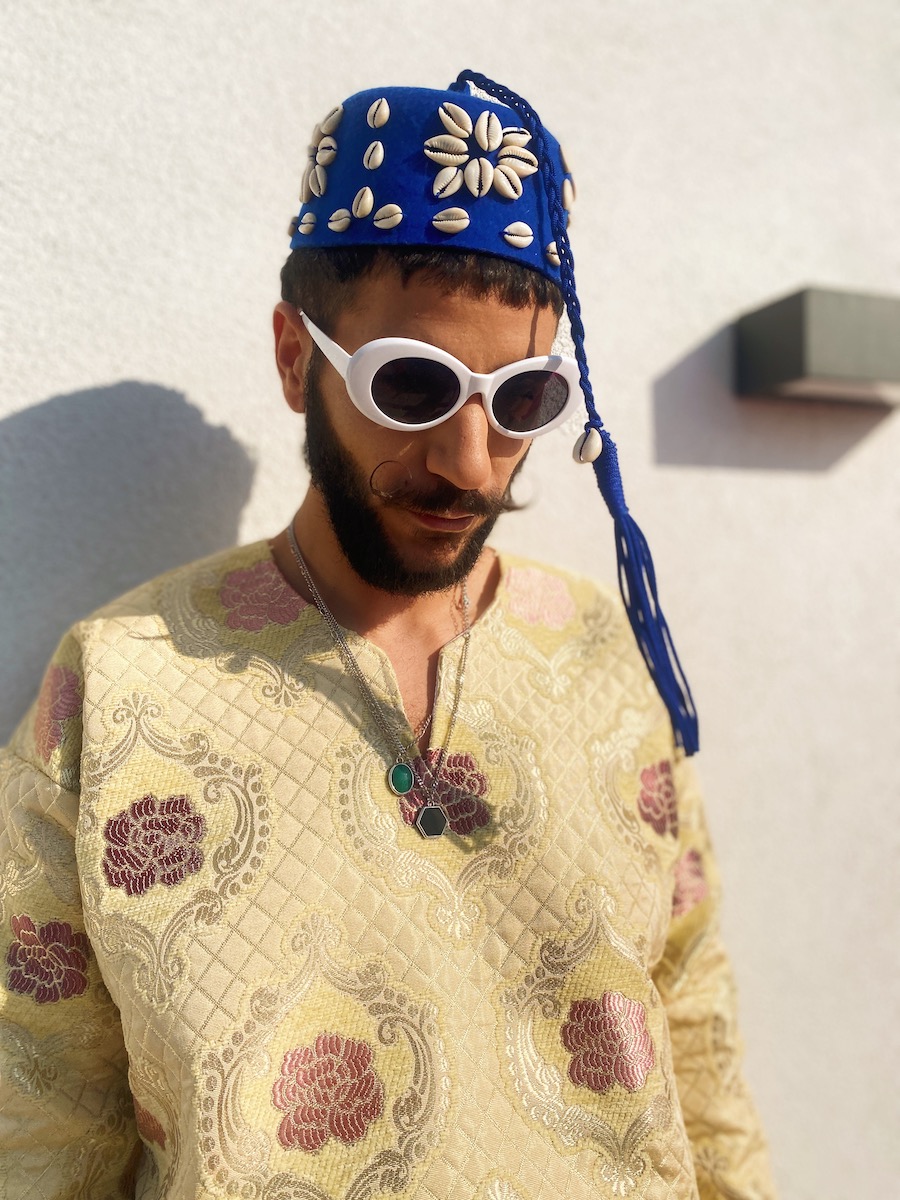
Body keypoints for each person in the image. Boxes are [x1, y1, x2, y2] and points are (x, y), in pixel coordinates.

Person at [0, 72, 775, 1199]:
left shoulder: (602, 656)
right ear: (295, 357)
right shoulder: (121, 687)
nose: (470, 462)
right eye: (413, 385)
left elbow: (696, 1038)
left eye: (523, 400)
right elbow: (36, 1118)